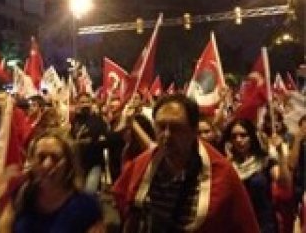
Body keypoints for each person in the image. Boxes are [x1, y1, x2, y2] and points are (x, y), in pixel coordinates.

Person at [113, 94, 259, 232]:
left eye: (176, 128)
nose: (167, 135)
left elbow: (244, 225)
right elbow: (126, 207)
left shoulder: (222, 173)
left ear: (193, 130)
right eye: (161, 127)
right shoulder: (143, 164)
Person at [0, 128, 104, 233]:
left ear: (69, 164)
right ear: (32, 161)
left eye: (55, 158)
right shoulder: (21, 194)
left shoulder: (86, 206)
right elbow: (3, 228)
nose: (46, 165)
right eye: (41, 157)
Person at [222, 118, 291, 233]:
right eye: (234, 136)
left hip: (264, 225)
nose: (238, 140)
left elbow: (285, 184)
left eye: (243, 135)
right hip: (239, 225)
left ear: (252, 137)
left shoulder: (264, 161)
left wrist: (280, 152)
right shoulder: (228, 165)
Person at [70, 93, 108, 193]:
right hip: (78, 163)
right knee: (79, 193)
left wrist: (90, 142)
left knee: (89, 192)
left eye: (87, 102)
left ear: (91, 103)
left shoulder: (98, 120)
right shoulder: (74, 121)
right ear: (77, 104)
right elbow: (71, 141)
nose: (85, 104)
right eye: (82, 102)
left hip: (95, 163)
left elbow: (104, 139)